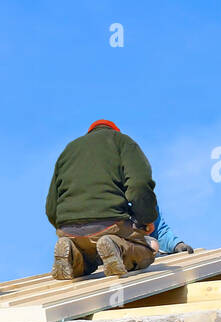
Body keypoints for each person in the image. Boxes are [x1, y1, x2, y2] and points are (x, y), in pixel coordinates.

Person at [45, 119, 160, 279]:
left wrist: (66, 225)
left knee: (88, 258)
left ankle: (71, 251)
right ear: (115, 131)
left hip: (68, 229)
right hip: (110, 224)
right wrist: (147, 218)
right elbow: (139, 185)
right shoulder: (122, 142)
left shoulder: (69, 149)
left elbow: (52, 204)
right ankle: (117, 247)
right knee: (148, 250)